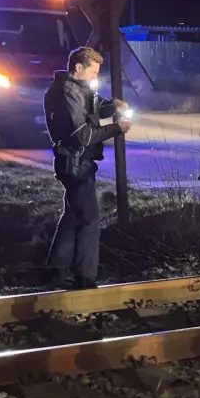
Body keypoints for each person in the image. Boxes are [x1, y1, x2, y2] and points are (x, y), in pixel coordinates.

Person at [43, 46, 131, 288]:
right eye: (93, 72)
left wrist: (112, 106)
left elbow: (92, 108)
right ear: (78, 68)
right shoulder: (66, 93)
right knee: (90, 220)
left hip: (75, 161)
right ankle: (85, 277)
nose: (95, 78)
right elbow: (81, 134)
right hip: (75, 161)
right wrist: (115, 129)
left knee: (73, 214)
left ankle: (56, 268)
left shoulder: (75, 89)